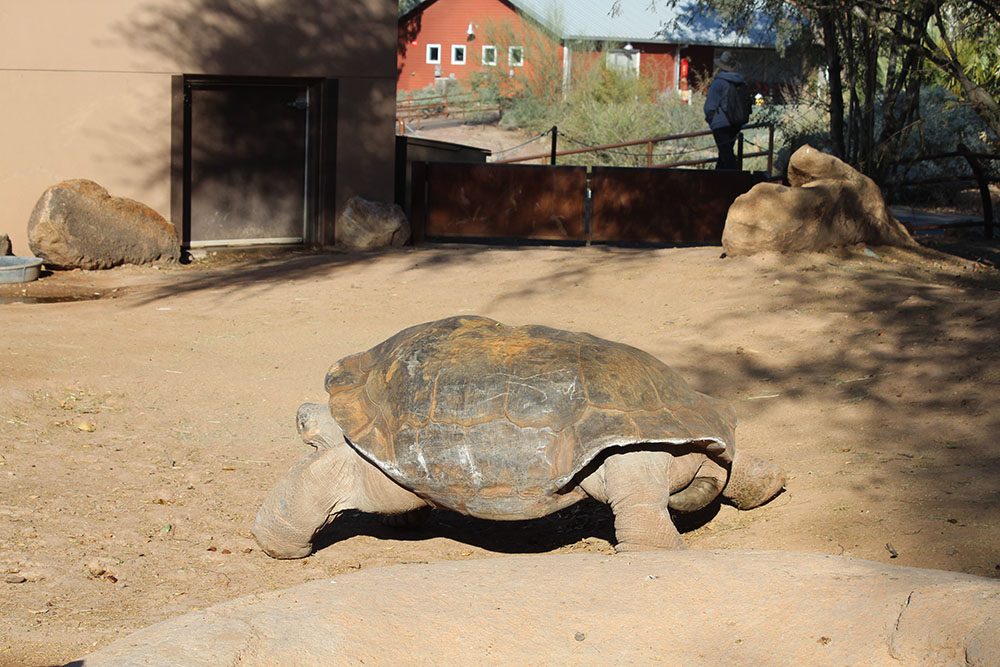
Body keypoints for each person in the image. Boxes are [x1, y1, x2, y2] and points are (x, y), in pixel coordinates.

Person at [703, 51, 747, 170]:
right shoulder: (741, 83)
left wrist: (711, 120)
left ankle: (734, 181)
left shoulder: (719, 83)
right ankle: (719, 181)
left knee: (726, 155)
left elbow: (709, 107)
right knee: (725, 153)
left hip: (720, 124)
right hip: (736, 123)